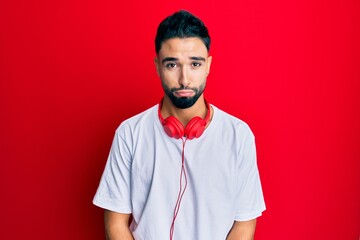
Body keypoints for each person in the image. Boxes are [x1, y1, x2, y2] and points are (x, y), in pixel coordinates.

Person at [93, 10, 266, 240]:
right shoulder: (129, 133)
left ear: (208, 65)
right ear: (157, 66)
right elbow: (115, 223)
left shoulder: (238, 135)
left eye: (195, 64)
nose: (184, 79)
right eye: (172, 65)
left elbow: (244, 225)